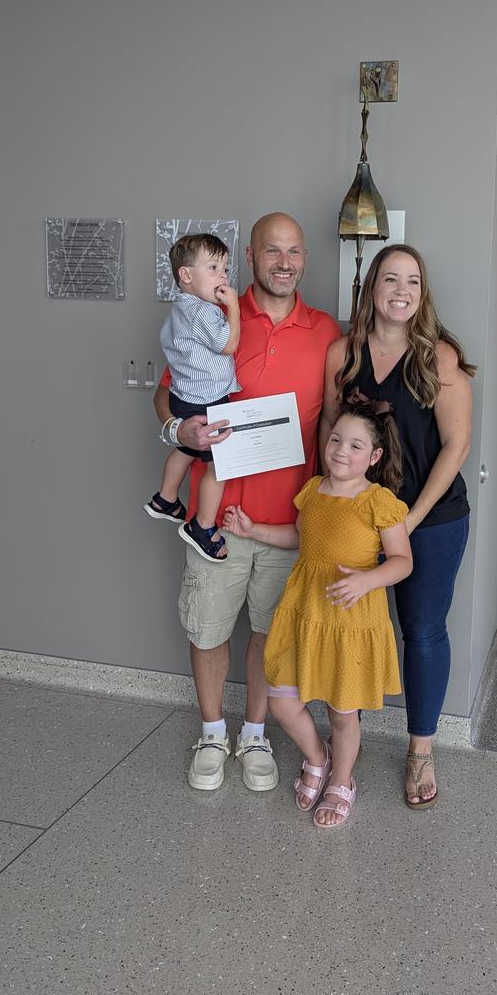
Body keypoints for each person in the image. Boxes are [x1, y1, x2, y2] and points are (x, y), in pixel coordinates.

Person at [153, 213, 341, 792]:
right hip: (216, 517)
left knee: (268, 633)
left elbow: (332, 423)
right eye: (271, 251)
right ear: (250, 257)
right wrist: (177, 434)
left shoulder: (327, 331)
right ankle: (213, 732)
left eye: (294, 251)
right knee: (208, 628)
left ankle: (255, 734)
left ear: (304, 258)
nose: (283, 262)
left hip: (288, 522)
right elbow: (168, 394)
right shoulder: (213, 312)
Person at [321, 244, 474, 809]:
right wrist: (331, 500)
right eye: (390, 278)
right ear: (372, 288)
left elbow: (455, 446)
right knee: (351, 626)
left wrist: (408, 520)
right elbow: (330, 431)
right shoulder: (343, 353)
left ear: (422, 292)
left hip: (429, 519)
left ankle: (421, 750)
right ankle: (345, 747)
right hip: (357, 517)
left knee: (422, 631)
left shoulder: (440, 359)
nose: (401, 289)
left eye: (412, 280)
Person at [222, 401, 412, 829]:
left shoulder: (379, 502)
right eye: (336, 439)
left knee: (343, 712)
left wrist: (367, 580)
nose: (341, 450)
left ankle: (341, 781)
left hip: (349, 620)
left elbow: (403, 560)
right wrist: (253, 530)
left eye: (356, 445)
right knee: (283, 700)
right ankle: (317, 757)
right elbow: (298, 535)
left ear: (374, 456)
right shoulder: (314, 490)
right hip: (305, 611)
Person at [145, 233, 240, 563]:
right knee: (221, 466)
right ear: (186, 276)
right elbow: (227, 345)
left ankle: (165, 497)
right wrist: (234, 308)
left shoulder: (177, 312)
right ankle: (202, 525)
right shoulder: (206, 312)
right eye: (213, 267)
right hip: (209, 399)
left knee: (184, 449)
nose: (223, 276)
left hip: (184, 397)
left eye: (225, 268)